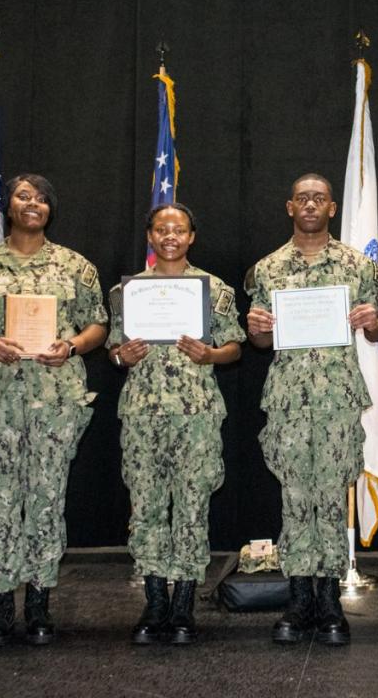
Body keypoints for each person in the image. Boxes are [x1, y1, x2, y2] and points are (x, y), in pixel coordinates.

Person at [0, 173, 107, 648]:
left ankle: (39, 604)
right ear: (8, 206)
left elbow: (98, 323)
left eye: (41, 198)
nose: (32, 203)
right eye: (23, 196)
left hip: (54, 403)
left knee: (45, 499)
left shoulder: (75, 266)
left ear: (50, 210)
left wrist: (73, 346)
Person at [245, 173, 378, 646]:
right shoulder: (268, 269)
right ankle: (298, 598)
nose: (310, 204)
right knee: (294, 497)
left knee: (330, 496)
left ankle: (329, 602)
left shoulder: (357, 266)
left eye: (319, 199)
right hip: (287, 397)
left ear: (331, 208)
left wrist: (373, 320)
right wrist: (256, 326)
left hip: (337, 397)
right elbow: (261, 341)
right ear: (290, 207)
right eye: (302, 198)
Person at [107, 203, 244, 646]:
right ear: (150, 235)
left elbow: (235, 347)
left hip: (196, 415)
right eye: (162, 229)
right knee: (146, 508)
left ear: (191, 237)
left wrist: (212, 354)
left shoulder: (214, 290)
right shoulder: (125, 292)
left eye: (179, 229)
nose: (170, 236)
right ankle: (154, 601)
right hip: (144, 414)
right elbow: (113, 348)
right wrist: (119, 357)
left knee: (190, 507)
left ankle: (184, 601)